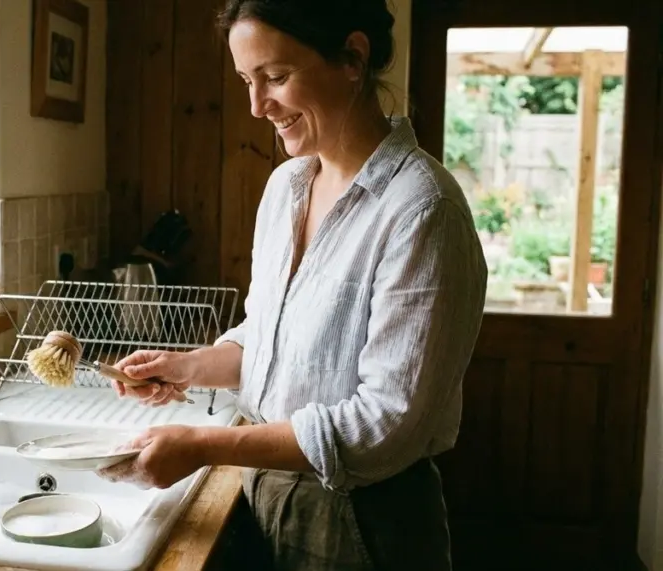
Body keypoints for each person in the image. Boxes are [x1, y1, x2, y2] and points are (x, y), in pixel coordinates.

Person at [96, 0, 488, 569]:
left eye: (276, 77)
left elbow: (382, 425)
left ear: (353, 57)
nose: (257, 106)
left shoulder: (422, 209)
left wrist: (205, 445)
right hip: (266, 487)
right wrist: (185, 366)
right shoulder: (286, 187)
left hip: (363, 521)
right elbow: (272, 336)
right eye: (246, 81)